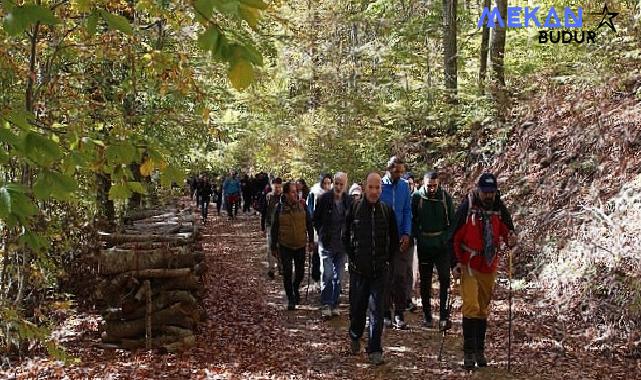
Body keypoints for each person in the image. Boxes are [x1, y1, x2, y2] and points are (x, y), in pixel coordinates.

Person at [451, 172, 517, 369]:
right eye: (485, 192)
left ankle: (479, 350)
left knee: (482, 309)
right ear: (478, 190)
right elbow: (452, 236)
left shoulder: (499, 207)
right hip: (468, 264)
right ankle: (469, 353)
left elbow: (508, 232)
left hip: (489, 264)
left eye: (492, 192)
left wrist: (511, 238)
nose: (489, 195)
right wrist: (454, 262)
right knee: (470, 306)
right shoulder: (467, 207)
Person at [344, 172, 399, 366]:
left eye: (377, 188)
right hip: (359, 271)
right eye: (371, 187)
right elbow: (345, 236)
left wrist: (387, 262)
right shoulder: (355, 209)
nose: (374, 191)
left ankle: (375, 349)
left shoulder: (387, 211)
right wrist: (353, 259)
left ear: (381, 189)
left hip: (380, 271)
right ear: (364, 187)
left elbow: (394, 240)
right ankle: (355, 334)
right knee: (358, 309)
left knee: (377, 310)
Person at [412, 171, 455, 329]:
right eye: (429, 185)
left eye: (434, 186)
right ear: (423, 183)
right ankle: (427, 315)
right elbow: (412, 219)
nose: (431, 189)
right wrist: (419, 236)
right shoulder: (417, 197)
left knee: (444, 279)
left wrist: (445, 238)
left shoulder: (444, 197)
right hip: (424, 245)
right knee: (425, 282)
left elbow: (453, 222)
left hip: (441, 246)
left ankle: (443, 316)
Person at [380, 156, 412, 330]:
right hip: (384, 239)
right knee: (385, 277)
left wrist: (407, 233)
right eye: (396, 171)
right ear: (389, 168)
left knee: (400, 277)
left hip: (400, 238)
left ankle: (399, 314)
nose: (399, 174)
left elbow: (408, 211)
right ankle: (385, 313)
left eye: (402, 171)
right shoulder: (381, 186)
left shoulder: (404, 187)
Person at [271, 181, 314, 310]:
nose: (296, 194)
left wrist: (311, 241)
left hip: (300, 245)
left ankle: (295, 287)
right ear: (286, 194)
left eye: (296, 191)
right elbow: (274, 228)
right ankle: (290, 298)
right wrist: (273, 246)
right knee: (287, 273)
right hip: (285, 246)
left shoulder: (303, 206)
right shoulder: (279, 208)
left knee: (300, 273)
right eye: (293, 192)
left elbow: (309, 224)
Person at [313, 172, 350, 318]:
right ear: (333, 182)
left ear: (345, 184)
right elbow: (316, 218)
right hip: (327, 243)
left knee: (339, 276)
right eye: (337, 183)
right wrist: (321, 233)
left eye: (342, 184)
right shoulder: (324, 199)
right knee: (327, 274)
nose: (339, 186)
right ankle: (326, 303)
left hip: (342, 245)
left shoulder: (348, 201)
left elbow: (352, 221)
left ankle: (335, 303)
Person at [306, 173, 333, 287]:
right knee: (317, 254)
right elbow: (310, 211)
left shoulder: (334, 194)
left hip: (332, 230)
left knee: (331, 256)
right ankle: (317, 278)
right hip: (317, 228)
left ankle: (330, 281)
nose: (327, 185)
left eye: (328, 183)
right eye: (325, 183)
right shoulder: (314, 194)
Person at [263, 177, 283, 279]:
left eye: (279, 187)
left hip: (282, 226)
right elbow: (264, 211)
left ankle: (281, 266)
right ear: (272, 187)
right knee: (271, 247)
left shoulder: (284, 197)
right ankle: (271, 269)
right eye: (276, 187)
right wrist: (263, 225)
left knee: (281, 247)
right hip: (270, 225)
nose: (278, 189)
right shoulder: (268, 197)